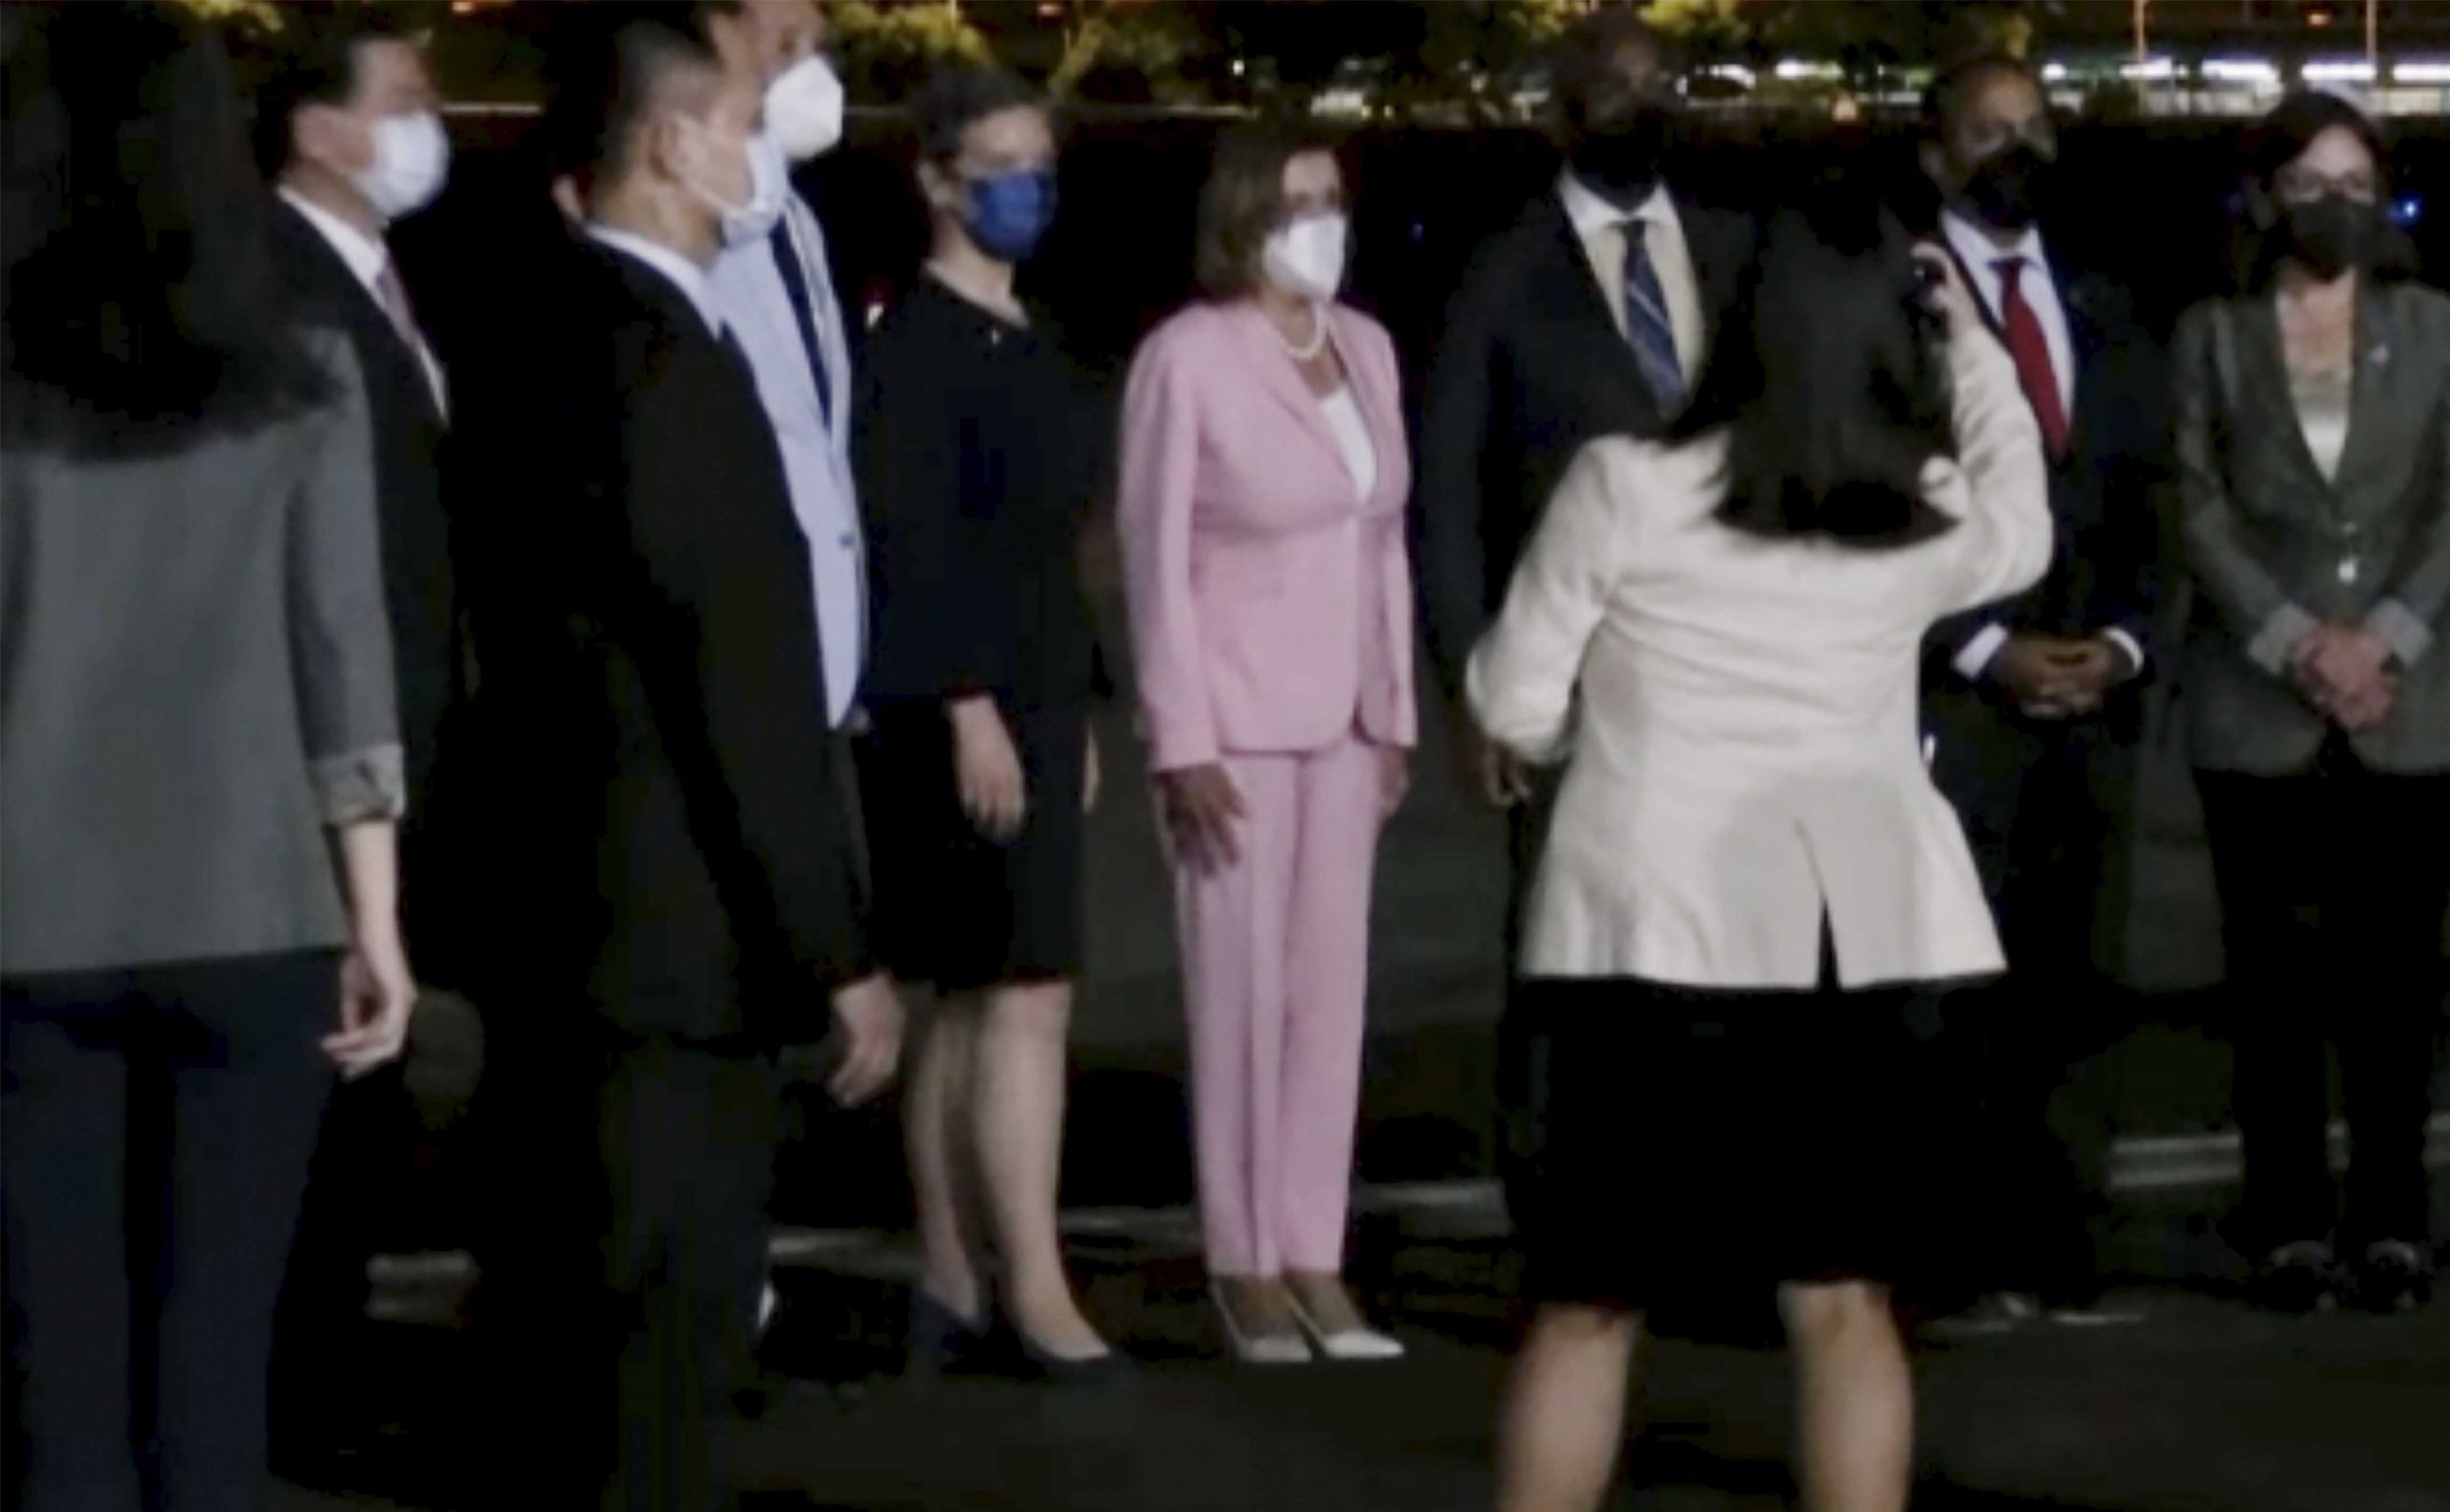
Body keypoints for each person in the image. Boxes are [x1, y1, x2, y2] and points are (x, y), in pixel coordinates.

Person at [1470, 204, 2050, 1512]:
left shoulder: (1625, 484)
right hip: (1855, 947)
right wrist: (1972, 347)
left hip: (1642, 945)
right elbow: (2025, 520)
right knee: (1844, 1304)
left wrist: (1583, 724)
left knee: (1587, 1306)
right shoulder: (1920, 506)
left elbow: (1513, 703)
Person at [459, 16, 901, 1507]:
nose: (757, 150)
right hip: (674, 950)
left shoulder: (537, 326)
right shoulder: (669, 362)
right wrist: (833, 946)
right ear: (670, 143)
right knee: (659, 1360)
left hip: (567, 926)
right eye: (739, 121)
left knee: (563, 1346)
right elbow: (740, 682)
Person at [0, 6, 417, 1508]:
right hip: (254, 906)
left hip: (29, 921)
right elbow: (342, 652)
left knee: (57, 1395)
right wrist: (376, 920)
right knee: (216, 1382)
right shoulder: (303, 371)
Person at [1414, 9, 1749, 1234]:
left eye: (1656, 87)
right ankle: (1561, 1218)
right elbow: (1450, 493)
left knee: (1724, 944)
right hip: (1567, 674)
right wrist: (1475, 681)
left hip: (1729, 664)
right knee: (1567, 955)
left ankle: (1704, 1208)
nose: (1638, 108)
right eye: (1611, 91)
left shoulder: (1732, 250)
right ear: (1561, 115)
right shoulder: (1499, 271)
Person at [1117, 124, 1414, 1365]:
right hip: (1234, 728)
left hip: (1346, 721)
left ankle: (1313, 1254)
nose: (1319, 223)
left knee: (1327, 994)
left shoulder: (1368, 348)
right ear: (1242, 219)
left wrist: (1395, 711)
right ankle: (1242, 1260)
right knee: (1238, 996)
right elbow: (1152, 561)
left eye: (1330, 198)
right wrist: (1179, 735)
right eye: (1294, 203)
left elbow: (1380, 540)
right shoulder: (1187, 359)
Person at [852, 64, 1112, 1378]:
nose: (1028, 191)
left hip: (1037, 690)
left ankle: (953, 1275)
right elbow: (908, 540)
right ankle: (1033, 1285)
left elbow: (1050, 546)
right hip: (960, 705)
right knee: (1015, 994)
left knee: (975, 998)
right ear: (938, 180)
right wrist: (965, 706)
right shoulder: (911, 348)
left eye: (1041, 168)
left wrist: (1077, 711)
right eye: (1000, 168)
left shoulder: (1033, 335)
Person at [2173, 91, 2450, 1317]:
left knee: (2396, 980)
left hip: (2408, 695)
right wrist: (2296, 643)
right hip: (2256, 697)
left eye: (2354, 183)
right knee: (2271, 982)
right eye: (2307, 184)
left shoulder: (2435, 328)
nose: (2332, 205)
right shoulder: (2212, 334)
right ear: (2264, 198)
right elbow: (2194, 505)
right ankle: (2284, 1221)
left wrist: (2383, 637)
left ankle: (2391, 1222)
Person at [1913, 51, 2172, 1329]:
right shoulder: (1893, 302)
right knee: (1953, 991)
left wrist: (2120, 644)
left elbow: (2150, 497)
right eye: (1986, 129)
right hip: (1956, 698)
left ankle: (2064, 1245)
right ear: (1935, 155)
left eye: (2033, 126)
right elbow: (1871, 496)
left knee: (2077, 980)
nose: (2014, 149)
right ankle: (1955, 1256)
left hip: (2094, 703)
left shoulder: (2104, 299)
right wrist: (1981, 646)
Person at [248, 6, 469, 1464]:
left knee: (367, 1077)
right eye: (403, 99)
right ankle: (300, 1385)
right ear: (317, 128)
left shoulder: (382, 284)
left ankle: (327, 1362)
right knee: (325, 1072)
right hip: (320, 756)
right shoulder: (280, 288)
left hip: (399, 737)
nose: (425, 125)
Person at [692, 0, 857, 1342]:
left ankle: (735, 1260)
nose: (811, 64)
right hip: (736, 671)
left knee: (757, 1007)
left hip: (813, 665)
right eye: (782, 36)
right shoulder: (705, 232)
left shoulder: (793, 221)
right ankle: (701, 1279)